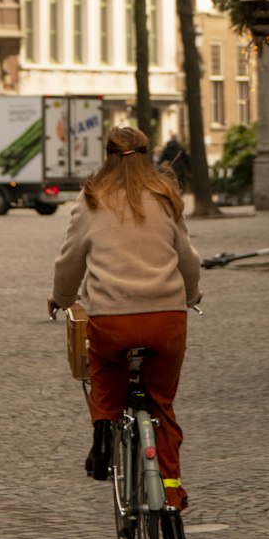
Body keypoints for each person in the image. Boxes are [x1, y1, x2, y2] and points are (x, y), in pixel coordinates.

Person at [48, 124, 202, 515]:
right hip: (166, 320)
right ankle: (170, 495)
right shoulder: (165, 196)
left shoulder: (91, 200)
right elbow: (188, 260)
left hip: (112, 321)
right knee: (161, 406)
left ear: (107, 155)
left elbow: (69, 263)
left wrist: (61, 298)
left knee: (102, 370)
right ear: (148, 154)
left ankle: (103, 432)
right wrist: (191, 295)